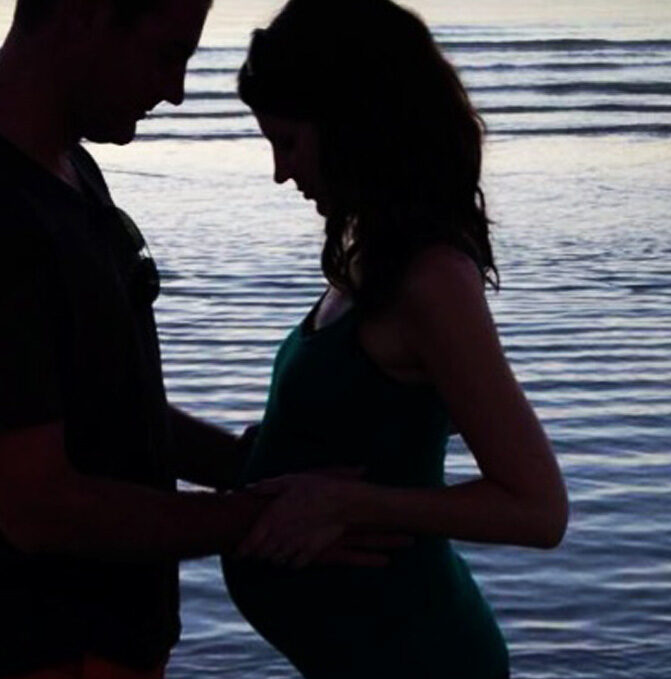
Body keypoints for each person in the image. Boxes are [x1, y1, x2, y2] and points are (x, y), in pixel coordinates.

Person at [0, 1, 389, 677]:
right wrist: (258, 518)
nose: (174, 91)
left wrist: (251, 466)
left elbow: (107, 410)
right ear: (83, 15)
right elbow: (41, 508)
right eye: (167, 53)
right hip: (42, 649)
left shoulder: (64, 167)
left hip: (108, 642)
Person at [220, 1, 571, 677]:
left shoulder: (430, 279)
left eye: (289, 141)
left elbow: (538, 507)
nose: (280, 172)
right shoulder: (371, 254)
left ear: (351, 123)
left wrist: (347, 502)